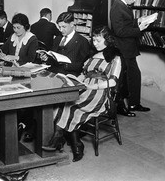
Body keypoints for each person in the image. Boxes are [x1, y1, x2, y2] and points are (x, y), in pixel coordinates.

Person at [42, 26, 122, 162]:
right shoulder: (92, 55)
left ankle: (67, 141)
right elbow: (83, 75)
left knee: (72, 106)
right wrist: (71, 79)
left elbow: (113, 82)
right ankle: (73, 143)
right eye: (94, 40)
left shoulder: (115, 58)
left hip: (100, 93)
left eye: (98, 41)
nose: (94, 43)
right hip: (85, 87)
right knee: (61, 102)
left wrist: (92, 85)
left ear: (107, 40)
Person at [110, 0, 150, 114]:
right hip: (123, 47)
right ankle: (126, 106)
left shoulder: (123, 5)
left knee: (132, 76)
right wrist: (138, 29)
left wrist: (138, 20)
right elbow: (119, 31)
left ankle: (133, 104)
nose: (134, 0)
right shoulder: (117, 7)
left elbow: (125, 22)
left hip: (128, 47)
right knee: (126, 78)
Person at [39, 12, 90, 76]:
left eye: (64, 27)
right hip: (53, 74)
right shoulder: (57, 39)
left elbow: (83, 65)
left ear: (72, 24)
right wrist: (47, 58)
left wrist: (66, 65)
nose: (61, 30)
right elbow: (53, 58)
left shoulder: (82, 41)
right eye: (59, 27)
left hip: (69, 75)